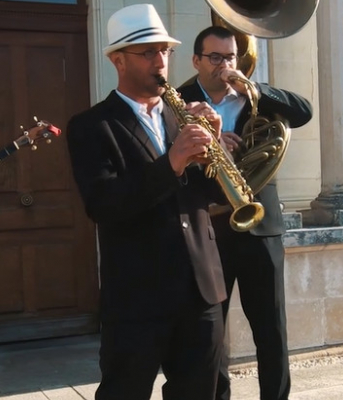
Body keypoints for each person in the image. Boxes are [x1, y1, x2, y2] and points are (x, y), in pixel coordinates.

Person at [66, 4, 231, 399]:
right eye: (148, 52)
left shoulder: (184, 118)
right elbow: (104, 204)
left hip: (201, 291)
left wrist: (217, 146)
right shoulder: (92, 126)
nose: (160, 61)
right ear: (118, 60)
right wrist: (172, 162)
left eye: (165, 51)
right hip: (137, 297)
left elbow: (218, 196)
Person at [178, 26, 313, 400]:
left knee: (272, 329)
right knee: (210, 332)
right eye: (215, 57)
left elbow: (304, 111)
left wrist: (254, 86)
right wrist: (209, 143)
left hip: (261, 227)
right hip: (209, 229)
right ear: (196, 60)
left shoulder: (256, 97)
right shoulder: (180, 100)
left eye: (230, 57)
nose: (223, 65)